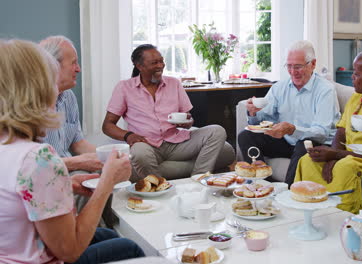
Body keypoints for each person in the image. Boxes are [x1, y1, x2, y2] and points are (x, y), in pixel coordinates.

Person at [0, 39, 145, 263]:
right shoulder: (38, 159)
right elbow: (70, 251)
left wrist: (67, 183)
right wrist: (106, 183)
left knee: (107, 235)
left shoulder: (8, 146)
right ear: (36, 89)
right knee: (129, 247)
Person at [294, 50, 362, 214]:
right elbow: (341, 132)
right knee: (309, 159)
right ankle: (307, 211)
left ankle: (340, 216)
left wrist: (336, 156)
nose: (352, 77)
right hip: (345, 155)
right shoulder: (357, 98)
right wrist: (331, 157)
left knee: (345, 166)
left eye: (356, 74)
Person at [102, 44, 226, 180]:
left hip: (177, 143)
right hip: (147, 145)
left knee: (217, 131)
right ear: (139, 66)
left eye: (161, 61)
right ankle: (158, 185)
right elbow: (108, 125)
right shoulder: (124, 88)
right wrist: (128, 136)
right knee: (139, 152)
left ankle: (199, 178)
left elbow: (189, 119)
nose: (160, 66)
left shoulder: (174, 83)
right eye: (154, 63)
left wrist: (188, 122)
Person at [238, 40, 341, 185]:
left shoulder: (325, 90)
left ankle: (288, 193)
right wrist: (253, 113)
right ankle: (262, 185)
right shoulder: (279, 88)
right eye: (289, 66)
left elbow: (321, 132)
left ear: (313, 64)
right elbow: (263, 120)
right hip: (287, 141)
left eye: (298, 66)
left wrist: (292, 130)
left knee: (303, 144)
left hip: (317, 143)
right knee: (246, 136)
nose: (293, 72)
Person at [39, 36, 103, 174]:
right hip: (43, 174)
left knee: (108, 172)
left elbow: (77, 143)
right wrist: (79, 162)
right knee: (91, 180)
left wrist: (108, 157)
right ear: (53, 65)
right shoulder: (26, 103)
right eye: (74, 63)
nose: (78, 69)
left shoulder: (68, 97)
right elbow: (32, 164)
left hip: (67, 168)